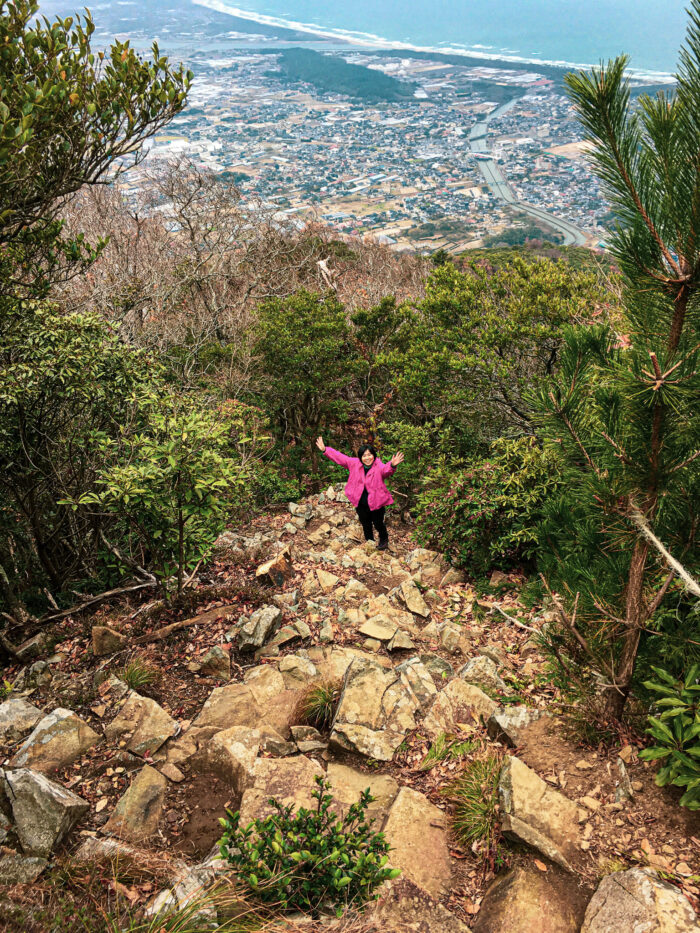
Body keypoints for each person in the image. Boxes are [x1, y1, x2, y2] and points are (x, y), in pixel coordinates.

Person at [316, 436, 404, 550]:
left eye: (369, 455)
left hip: (376, 501)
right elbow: (340, 457)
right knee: (365, 523)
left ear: (374, 455)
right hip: (360, 501)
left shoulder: (378, 465)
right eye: (364, 455)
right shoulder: (354, 463)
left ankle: (384, 539)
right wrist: (325, 450)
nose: (367, 458)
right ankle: (370, 542)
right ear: (360, 457)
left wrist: (392, 465)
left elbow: (385, 471)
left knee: (378, 523)